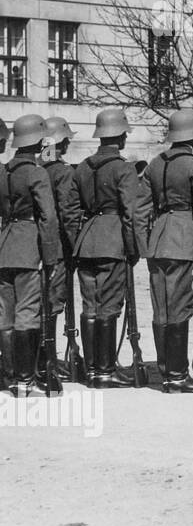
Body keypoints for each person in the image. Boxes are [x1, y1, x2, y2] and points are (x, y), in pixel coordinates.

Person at [66, 108, 150, 389]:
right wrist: (134, 248)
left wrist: (77, 242)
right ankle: (105, 371)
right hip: (112, 242)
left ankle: (93, 370)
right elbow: (131, 213)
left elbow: (72, 210)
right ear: (119, 135)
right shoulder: (123, 168)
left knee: (90, 305)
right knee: (109, 306)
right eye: (124, 133)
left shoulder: (83, 166)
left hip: (86, 242)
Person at [142, 109, 193, 393]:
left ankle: (166, 370)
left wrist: (145, 242)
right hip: (185, 243)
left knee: (161, 308)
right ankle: (177, 375)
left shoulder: (155, 164)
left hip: (158, 241)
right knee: (181, 308)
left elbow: (142, 209)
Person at [0, 115, 60, 396]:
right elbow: (48, 217)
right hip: (28, 247)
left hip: (5, 247)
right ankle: (25, 380)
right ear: (37, 140)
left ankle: (10, 378)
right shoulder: (37, 172)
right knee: (27, 313)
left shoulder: (3, 171)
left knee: (5, 315)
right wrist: (50, 258)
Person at [39, 117, 78, 382]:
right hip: (58, 248)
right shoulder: (62, 172)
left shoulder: (33, 167)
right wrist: (75, 246)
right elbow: (68, 214)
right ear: (62, 142)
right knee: (53, 304)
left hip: (30, 246)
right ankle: (47, 361)